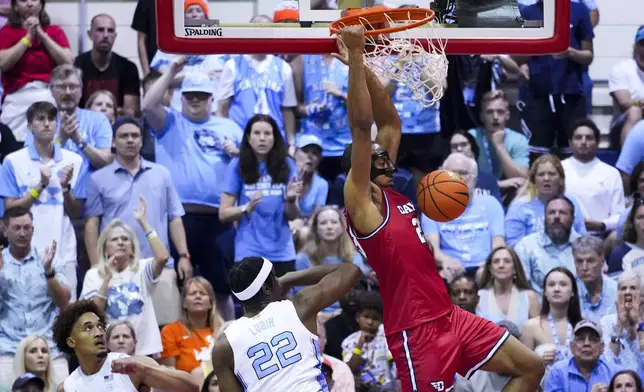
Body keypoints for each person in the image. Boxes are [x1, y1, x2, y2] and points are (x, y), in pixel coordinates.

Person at [336, 26, 544, 392]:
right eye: (376, 158)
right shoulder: (361, 202)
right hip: (415, 330)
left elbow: (389, 122)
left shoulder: (394, 196)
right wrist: (355, 56)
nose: (388, 161)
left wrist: (365, 69)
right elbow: (361, 128)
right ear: (359, 167)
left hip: (451, 316)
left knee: (531, 367)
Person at [211, 256, 361, 391]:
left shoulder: (223, 345)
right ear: (266, 287)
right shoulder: (299, 307)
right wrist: (290, 277)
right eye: (275, 277)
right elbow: (350, 270)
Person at [51, 300, 199, 392]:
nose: (98, 333)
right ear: (71, 342)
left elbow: (191, 387)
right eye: (88, 328)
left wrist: (145, 371)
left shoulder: (132, 366)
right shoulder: (67, 387)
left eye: (101, 326)